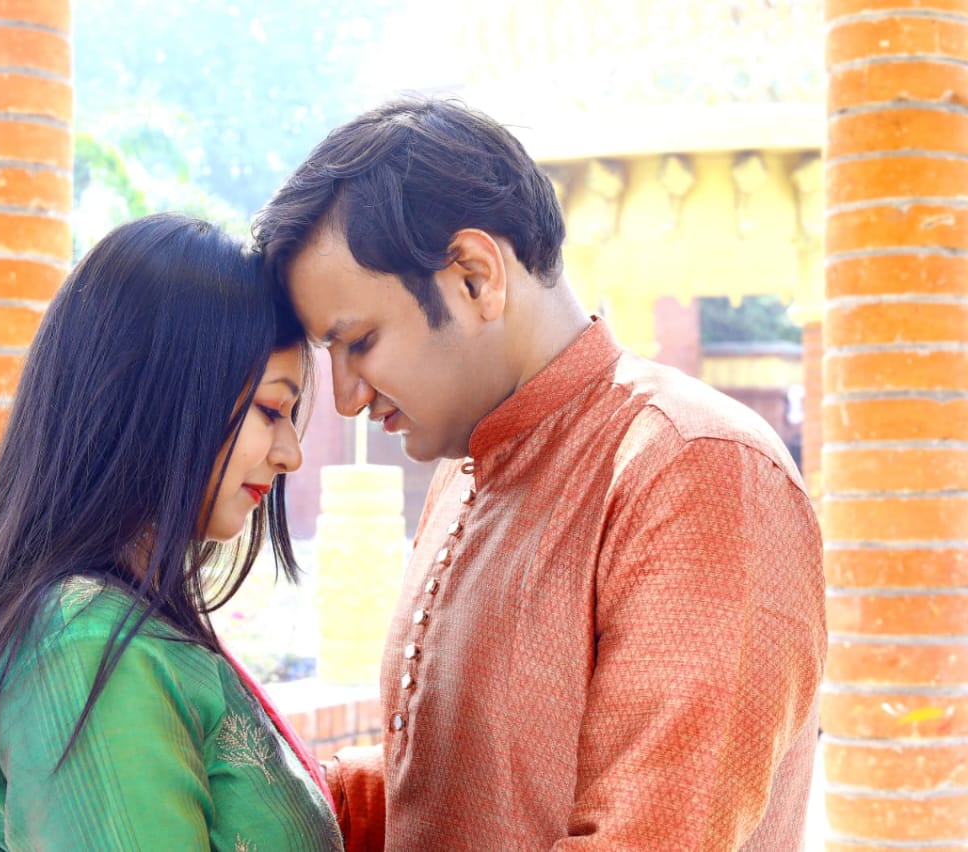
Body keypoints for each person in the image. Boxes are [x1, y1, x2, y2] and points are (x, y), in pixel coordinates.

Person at [253, 99, 826, 850]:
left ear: (474, 276)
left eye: (358, 342)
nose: (348, 397)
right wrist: (263, 782)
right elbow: (458, 790)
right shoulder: (466, 474)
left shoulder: (695, 469)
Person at [0, 214, 343, 851]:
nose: (291, 453)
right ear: (160, 397)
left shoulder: (101, 625)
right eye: (272, 409)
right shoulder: (88, 648)